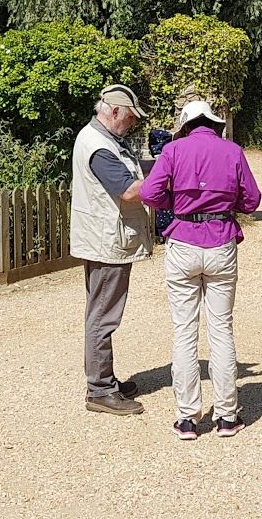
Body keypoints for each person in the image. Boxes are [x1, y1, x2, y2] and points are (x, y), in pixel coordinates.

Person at [140, 99, 262, 440]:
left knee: (184, 331)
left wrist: (177, 204)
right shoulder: (233, 151)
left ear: (186, 124)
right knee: (221, 330)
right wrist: (225, 205)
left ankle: (187, 418)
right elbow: (252, 201)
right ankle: (226, 416)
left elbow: (150, 194)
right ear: (214, 123)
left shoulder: (174, 150)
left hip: (183, 241)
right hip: (221, 240)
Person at [71, 83, 154, 416]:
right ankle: (100, 390)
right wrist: (169, 176)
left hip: (106, 238)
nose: (132, 124)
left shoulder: (105, 139)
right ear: (115, 111)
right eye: (131, 118)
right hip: (107, 242)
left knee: (101, 312)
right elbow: (130, 191)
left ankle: (104, 381)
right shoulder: (99, 147)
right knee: (103, 316)